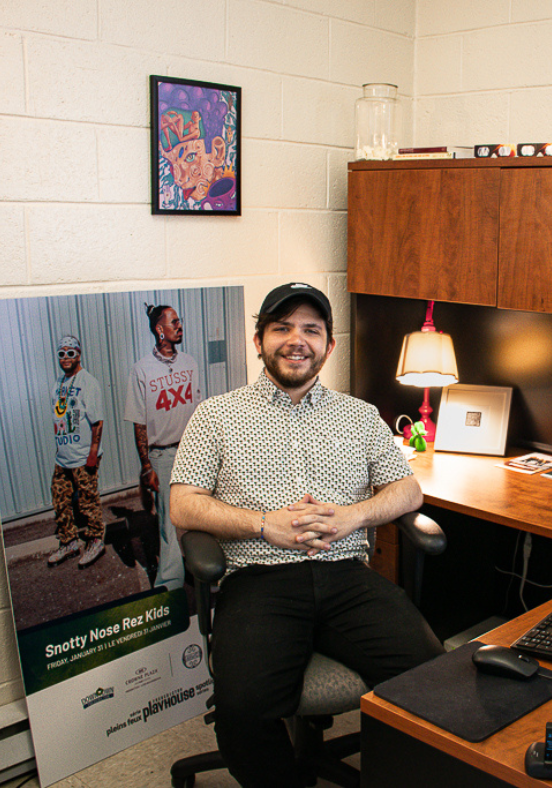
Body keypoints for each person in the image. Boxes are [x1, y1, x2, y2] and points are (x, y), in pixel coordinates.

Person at [170, 283, 443, 787]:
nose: (296, 340)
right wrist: (262, 523)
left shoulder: (359, 415)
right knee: (243, 709)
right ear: (259, 341)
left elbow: (408, 491)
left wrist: (353, 516)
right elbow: (183, 505)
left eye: (311, 330)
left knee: (433, 678)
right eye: (282, 328)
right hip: (259, 579)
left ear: (329, 346)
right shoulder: (216, 415)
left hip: (345, 577)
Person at [124, 303, 201, 591]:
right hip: (162, 455)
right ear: (159, 330)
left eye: (180, 321)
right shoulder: (141, 370)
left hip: (191, 450)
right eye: (174, 322)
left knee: (199, 513)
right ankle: (171, 582)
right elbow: (139, 423)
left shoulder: (189, 363)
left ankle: (202, 569)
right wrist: (147, 467)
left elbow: (197, 410)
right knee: (168, 522)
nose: (180, 326)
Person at [48, 335, 107, 568]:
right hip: (63, 457)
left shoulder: (88, 382)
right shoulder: (58, 384)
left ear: (78, 355)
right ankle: (69, 541)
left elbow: (97, 422)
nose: (65, 357)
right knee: (60, 500)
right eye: (61, 353)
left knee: (87, 501)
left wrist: (93, 453)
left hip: (84, 456)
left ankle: (95, 540)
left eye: (70, 353)